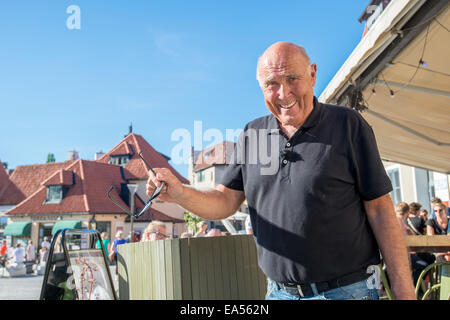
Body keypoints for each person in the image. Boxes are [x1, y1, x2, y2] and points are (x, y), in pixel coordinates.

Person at [146, 42, 416, 300]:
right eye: (271, 84)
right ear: (261, 87)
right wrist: (180, 193)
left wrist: (404, 291)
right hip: (278, 293)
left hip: (346, 291)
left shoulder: (348, 125)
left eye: (292, 79)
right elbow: (225, 200)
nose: (283, 93)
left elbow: (380, 209)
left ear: (312, 75)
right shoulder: (253, 134)